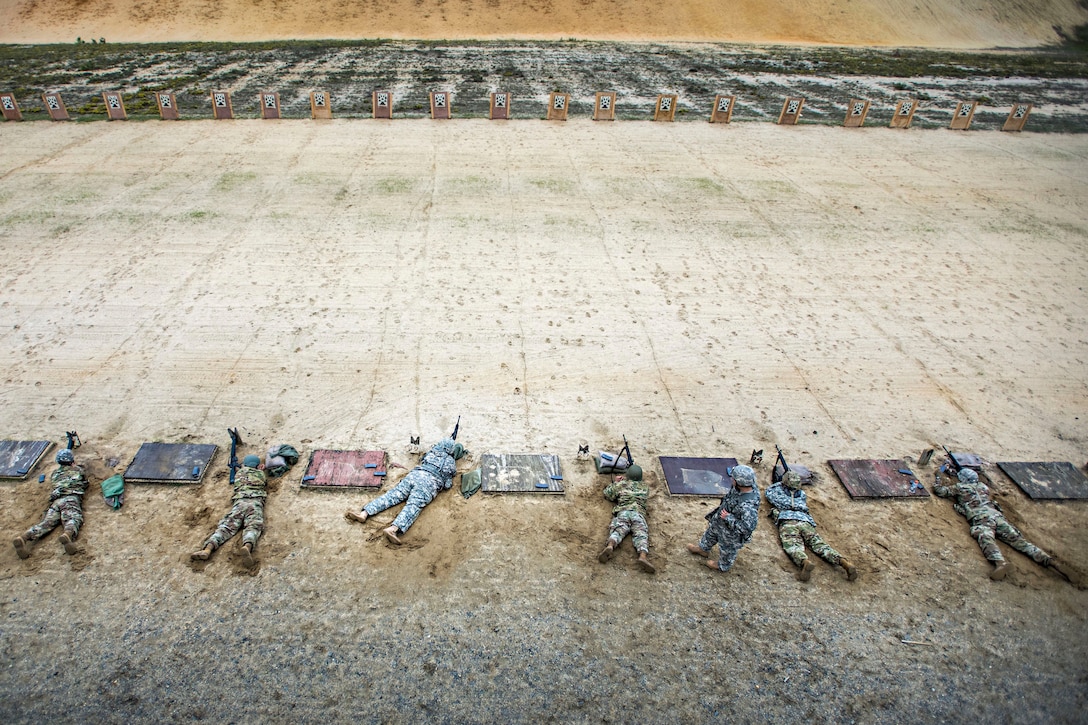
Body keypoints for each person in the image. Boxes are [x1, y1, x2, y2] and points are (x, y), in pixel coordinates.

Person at [934, 467, 1065, 581]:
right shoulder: (984, 488)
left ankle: (1000, 563)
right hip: (997, 516)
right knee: (1020, 542)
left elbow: (940, 491)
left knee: (986, 537)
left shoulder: (960, 487)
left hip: (982, 518)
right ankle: (1051, 562)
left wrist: (938, 477)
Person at [345, 438, 465, 545]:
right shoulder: (450, 463)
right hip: (428, 484)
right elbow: (447, 485)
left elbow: (422, 459)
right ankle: (393, 529)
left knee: (391, 496)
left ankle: (364, 514)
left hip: (413, 476)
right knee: (413, 506)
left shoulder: (432, 452)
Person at [766, 470, 858, 582]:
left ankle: (804, 561)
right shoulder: (802, 496)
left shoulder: (779, 495)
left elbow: (769, 492)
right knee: (819, 544)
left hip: (788, 520)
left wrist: (780, 483)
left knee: (792, 545)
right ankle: (843, 562)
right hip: (805, 521)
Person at [191, 454, 267, 568]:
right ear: (257, 466)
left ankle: (207, 549)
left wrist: (238, 467)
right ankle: (247, 546)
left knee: (226, 527)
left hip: (240, 502)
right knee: (253, 526)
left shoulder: (239, 473)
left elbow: (240, 470)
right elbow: (263, 481)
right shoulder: (261, 474)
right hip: (255, 502)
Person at [13, 449, 87, 559]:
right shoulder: (78, 470)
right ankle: (67, 534)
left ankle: (24, 537)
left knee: (46, 523)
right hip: (70, 498)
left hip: (56, 501)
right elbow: (85, 482)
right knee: (73, 518)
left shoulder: (55, 474)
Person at [687, 463, 761, 572]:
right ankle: (703, 549)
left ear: (740, 482)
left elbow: (747, 527)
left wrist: (729, 518)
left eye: (734, 478)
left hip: (731, 533)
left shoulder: (748, 506)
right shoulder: (741, 487)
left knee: (728, 550)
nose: (732, 479)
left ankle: (722, 565)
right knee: (711, 533)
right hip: (720, 521)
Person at [597, 464, 655, 574]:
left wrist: (616, 483)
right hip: (638, 514)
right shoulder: (645, 488)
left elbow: (608, 494)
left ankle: (610, 545)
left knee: (618, 529)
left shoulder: (622, 485)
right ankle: (643, 555)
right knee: (641, 534)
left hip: (623, 512)